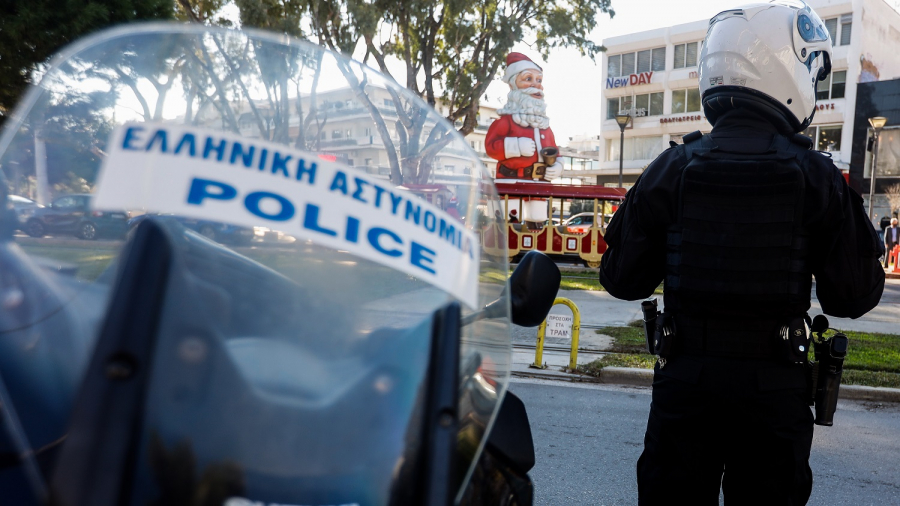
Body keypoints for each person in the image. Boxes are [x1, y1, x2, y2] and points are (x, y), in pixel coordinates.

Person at [598, 2, 885, 505]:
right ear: (787, 65)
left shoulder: (672, 166)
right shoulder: (816, 176)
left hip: (686, 382)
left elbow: (621, 279)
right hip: (774, 387)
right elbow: (854, 296)